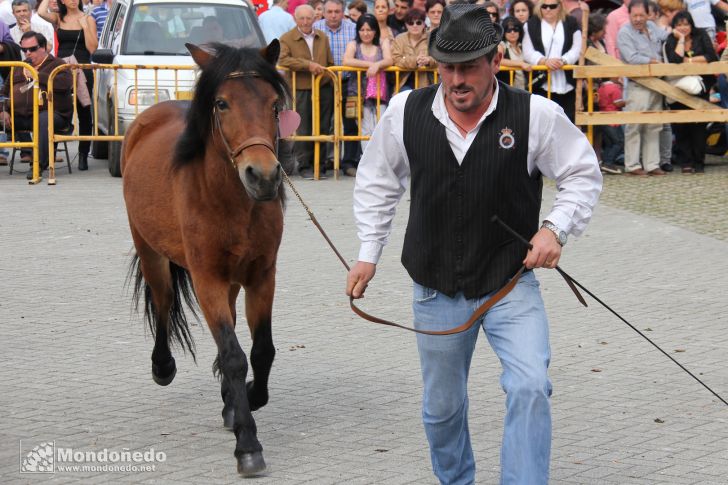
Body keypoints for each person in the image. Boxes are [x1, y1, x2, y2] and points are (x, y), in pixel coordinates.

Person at [346, 5, 602, 484]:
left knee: (529, 384)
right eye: (447, 67)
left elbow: (582, 174)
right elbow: (378, 181)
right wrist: (367, 253)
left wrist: (555, 229)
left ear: (497, 61)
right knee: (441, 409)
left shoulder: (537, 115)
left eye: (468, 67)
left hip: (510, 284)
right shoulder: (406, 111)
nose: (456, 79)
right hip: (434, 285)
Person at [1, 31, 72, 179]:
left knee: (43, 119)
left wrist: (37, 75)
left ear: (44, 47)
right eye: (24, 50)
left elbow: (64, 85)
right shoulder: (19, 66)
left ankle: (37, 165)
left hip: (53, 114)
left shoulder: (58, 64)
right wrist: (3, 110)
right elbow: (4, 92)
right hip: (19, 115)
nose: (27, 53)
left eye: (32, 49)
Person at [38, 0, 97, 171]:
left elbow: (93, 48)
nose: (72, 0)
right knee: (57, 109)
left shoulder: (89, 19)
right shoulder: (58, 17)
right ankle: (51, 153)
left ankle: (83, 155)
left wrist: (85, 27)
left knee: (84, 111)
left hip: (83, 68)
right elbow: (41, 12)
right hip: (61, 69)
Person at [278, 4, 334, 180]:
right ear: (295, 19)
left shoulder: (322, 37)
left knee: (324, 125)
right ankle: (305, 166)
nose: (305, 22)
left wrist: (331, 77)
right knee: (304, 128)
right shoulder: (286, 38)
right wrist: (307, 65)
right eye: (301, 18)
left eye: (308, 18)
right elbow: (284, 59)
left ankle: (322, 164)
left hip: (323, 87)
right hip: (300, 88)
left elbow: (330, 61)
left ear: (314, 18)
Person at [663, 10, 718, 173]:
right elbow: (674, 60)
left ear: (691, 24)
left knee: (699, 125)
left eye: (686, 24)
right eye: (679, 25)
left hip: (700, 85)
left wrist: (690, 61)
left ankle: (699, 161)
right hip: (678, 86)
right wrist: (680, 40)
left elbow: (711, 56)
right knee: (681, 125)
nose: (683, 28)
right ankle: (686, 161)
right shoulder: (671, 40)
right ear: (674, 27)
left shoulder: (701, 35)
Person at [617, 0, 667, 175]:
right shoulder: (624, 32)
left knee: (654, 125)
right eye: (634, 15)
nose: (638, 19)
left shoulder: (653, 27)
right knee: (635, 125)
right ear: (629, 15)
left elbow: (665, 40)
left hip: (657, 83)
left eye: (641, 15)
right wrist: (653, 61)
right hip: (637, 84)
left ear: (648, 15)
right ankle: (632, 165)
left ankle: (652, 164)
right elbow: (631, 57)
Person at [314, 0, 359, 174]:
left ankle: (349, 163)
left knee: (350, 122)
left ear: (343, 12)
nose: (333, 15)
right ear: (323, 12)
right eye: (330, 11)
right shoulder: (316, 28)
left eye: (337, 11)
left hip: (349, 83)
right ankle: (322, 162)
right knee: (323, 122)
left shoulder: (353, 28)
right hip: (324, 83)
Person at [523, 0, 582, 122]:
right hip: (541, 83)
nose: (548, 9)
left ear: (559, 7)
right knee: (543, 122)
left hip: (568, 83)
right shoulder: (531, 24)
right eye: (544, 6)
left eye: (552, 6)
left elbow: (577, 48)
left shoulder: (571, 22)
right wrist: (544, 61)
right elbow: (527, 51)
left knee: (568, 121)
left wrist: (564, 60)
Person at [343, 13, 392, 157]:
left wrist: (378, 65)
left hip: (380, 94)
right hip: (358, 92)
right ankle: (368, 160)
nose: (366, 33)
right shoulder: (353, 44)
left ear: (375, 30)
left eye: (369, 29)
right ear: (358, 31)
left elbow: (389, 60)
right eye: (362, 29)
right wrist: (371, 65)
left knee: (380, 127)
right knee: (364, 129)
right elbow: (347, 60)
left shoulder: (383, 42)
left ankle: (381, 160)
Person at [391, 8, 434, 91]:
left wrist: (429, 60)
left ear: (423, 24)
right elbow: (396, 59)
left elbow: (439, 59)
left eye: (418, 22)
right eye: (411, 23)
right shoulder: (399, 39)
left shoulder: (431, 38)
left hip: (427, 83)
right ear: (406, 25)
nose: (415, 26)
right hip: (404, 83)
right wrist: (415, 61)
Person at [596, 78, 625, 173]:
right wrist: (630, 101)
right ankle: (608, 163)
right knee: (619, 142)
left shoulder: (601, 87)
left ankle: (605, 163)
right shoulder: (614, 87)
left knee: (609, 144)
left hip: (602, 117)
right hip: (613, 119)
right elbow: (618, 103)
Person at [497, 16, 531, 89]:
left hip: (525, 89)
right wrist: (521, 64)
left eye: (515, 29)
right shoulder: (502, 45)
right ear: (504, 32)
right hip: (508, 90)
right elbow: (499, 60)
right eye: (508, 30)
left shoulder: (523, 46)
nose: (512, 32)